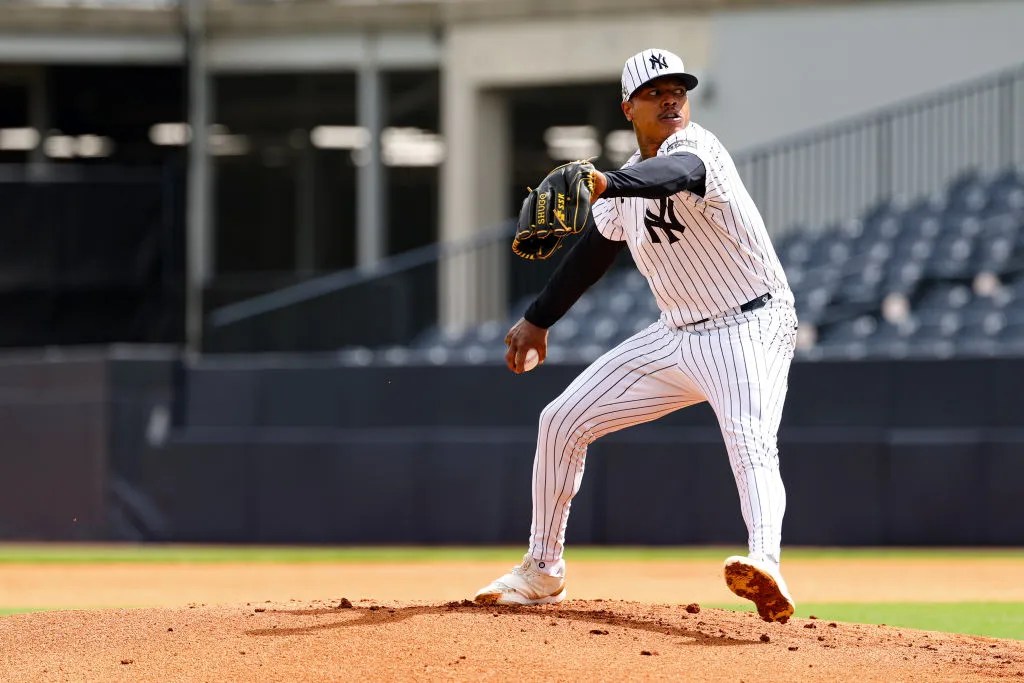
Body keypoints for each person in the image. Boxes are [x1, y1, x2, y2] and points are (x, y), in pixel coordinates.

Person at [472, 48, 799, 623]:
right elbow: (590, 257)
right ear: (629, 107)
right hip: (676, 335)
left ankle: (765, 563)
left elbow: (674, 175)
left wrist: (604, 180)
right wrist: (537, 319)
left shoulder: (698, 149)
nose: (670, 98)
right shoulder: (624, 191)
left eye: (678, 89)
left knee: (749, 437)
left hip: (751, 322)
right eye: (654, 91)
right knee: (561, 420)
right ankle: (542, 571)